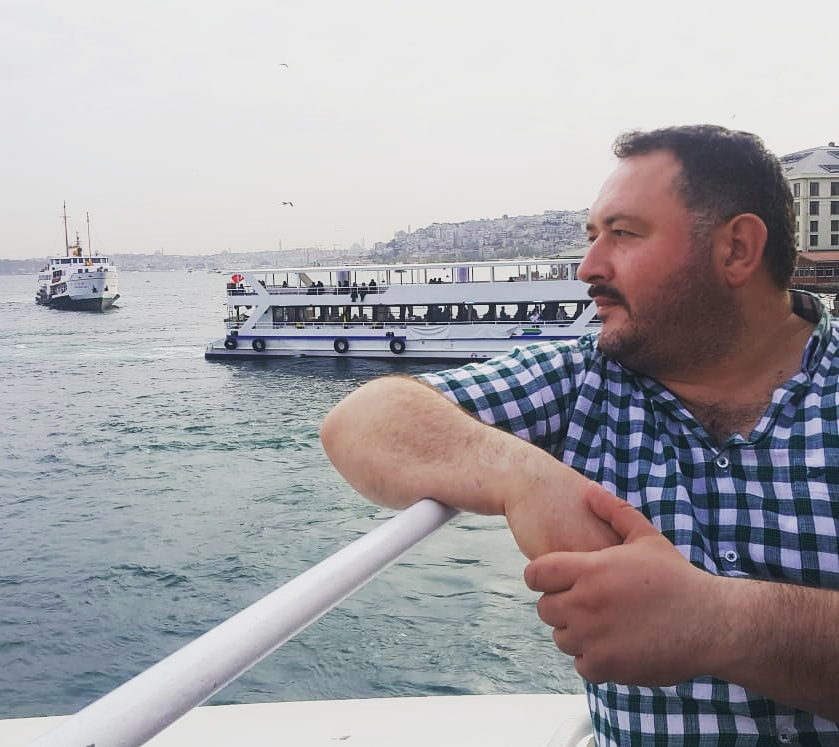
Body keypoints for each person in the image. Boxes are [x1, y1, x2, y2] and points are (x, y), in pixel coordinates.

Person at [320, 124, 839, 743]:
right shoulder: (584, 378)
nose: (589, 267)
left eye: (623, 234)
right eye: (593, 237)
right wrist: (523, 477)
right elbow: (365, 421)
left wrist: (719, 622)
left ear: (736, 250)